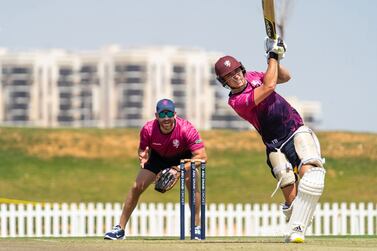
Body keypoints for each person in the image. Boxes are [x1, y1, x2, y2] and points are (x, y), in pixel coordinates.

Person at [214, 38, 325, 243]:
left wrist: (276, 58)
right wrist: (272, 56)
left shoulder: (254, 75)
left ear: (242, 68)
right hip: (274, 144)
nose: (236, 77)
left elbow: (284, 77)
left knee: (312, 179)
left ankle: (298, 222)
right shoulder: (236, 101)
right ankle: (297, 225)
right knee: (287, 183)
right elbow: (269, 86)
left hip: (294, 130)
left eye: (237, 71)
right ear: (225, 82)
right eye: (229, 76)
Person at [104, 98, 207, 240]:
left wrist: (177, 169)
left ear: (175, 114)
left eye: (169, 114)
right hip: (157, 158)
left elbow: (202, 157)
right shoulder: (148, 129)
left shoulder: (187, 129)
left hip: (182, 159)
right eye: (162, 114)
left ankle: (196, 227)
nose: (166, 118)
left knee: (193, 182)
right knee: (136, 187)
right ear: (156, 116)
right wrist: (143, 157)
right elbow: (142, 150)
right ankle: (119, 230)